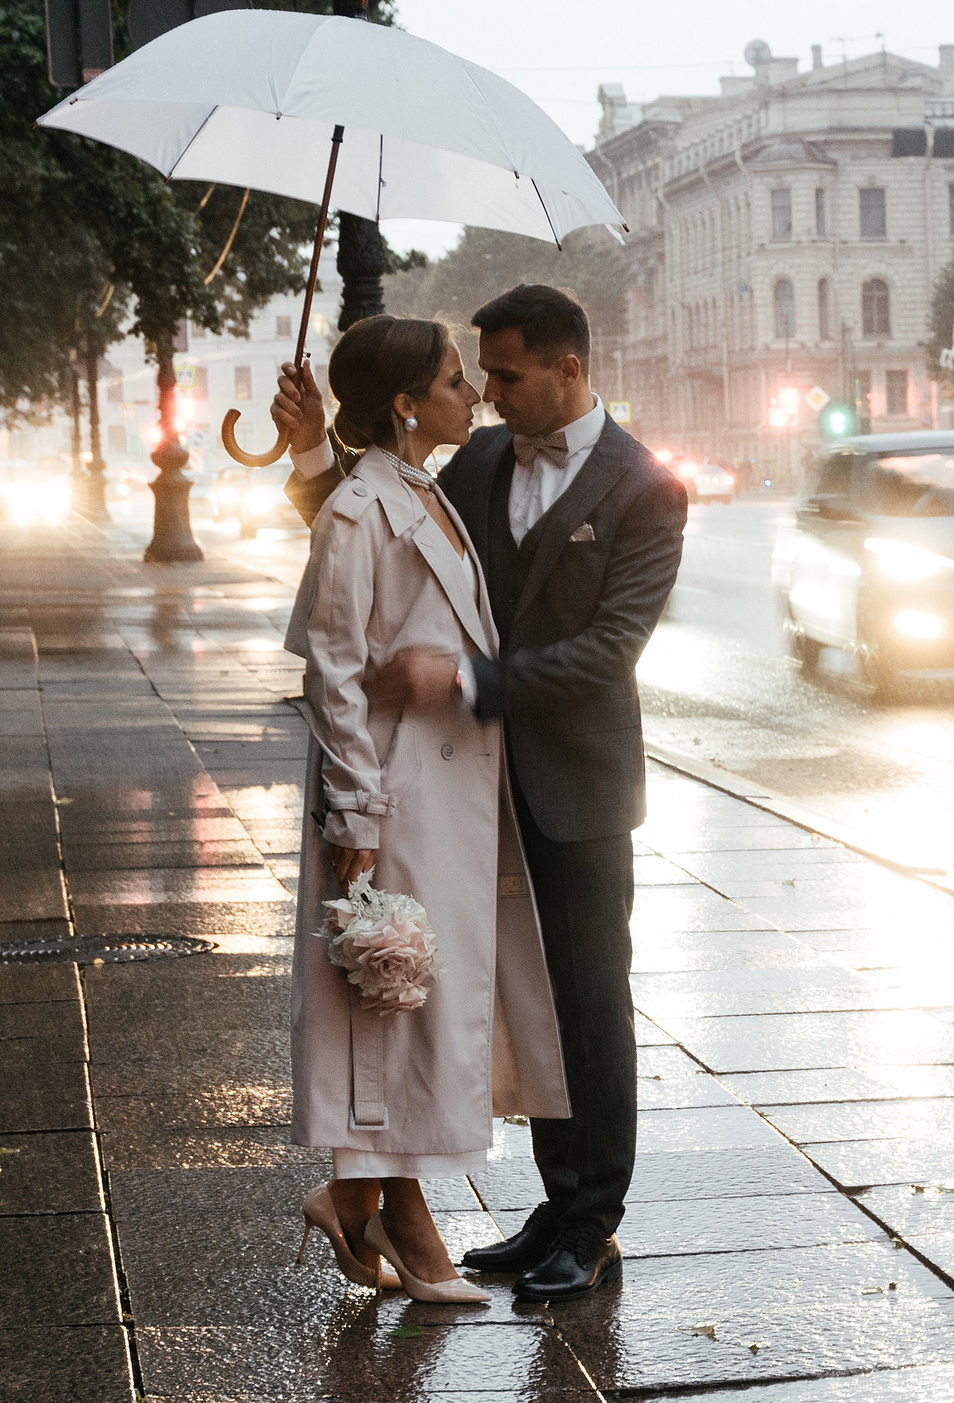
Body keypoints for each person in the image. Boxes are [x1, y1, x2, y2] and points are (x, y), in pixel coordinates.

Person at [273, 283, 688, 1303]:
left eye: (504, 374)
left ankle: (590, 1222)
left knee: (590, 1002)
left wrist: (463, 682)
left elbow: (605, 653)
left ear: (568, 368)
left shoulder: (645, 486)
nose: (491, 396)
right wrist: (310, 453)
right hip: (475, 790)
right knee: (526, 1003)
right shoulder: (484, 460)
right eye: (478, 376)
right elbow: (381, 531)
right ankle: (549, 1204)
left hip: (578, 787)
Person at [286, 314, 570, 1306]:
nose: (475, 394)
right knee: (391, 997)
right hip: (396, 795)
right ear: (407, 401)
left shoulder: (421, 490)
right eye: (456, 379)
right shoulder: (364, 507)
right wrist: (355, 814)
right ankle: (389, 1209)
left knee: (417, 998)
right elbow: (330, 667)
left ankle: (362, 1195)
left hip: (443, 791)